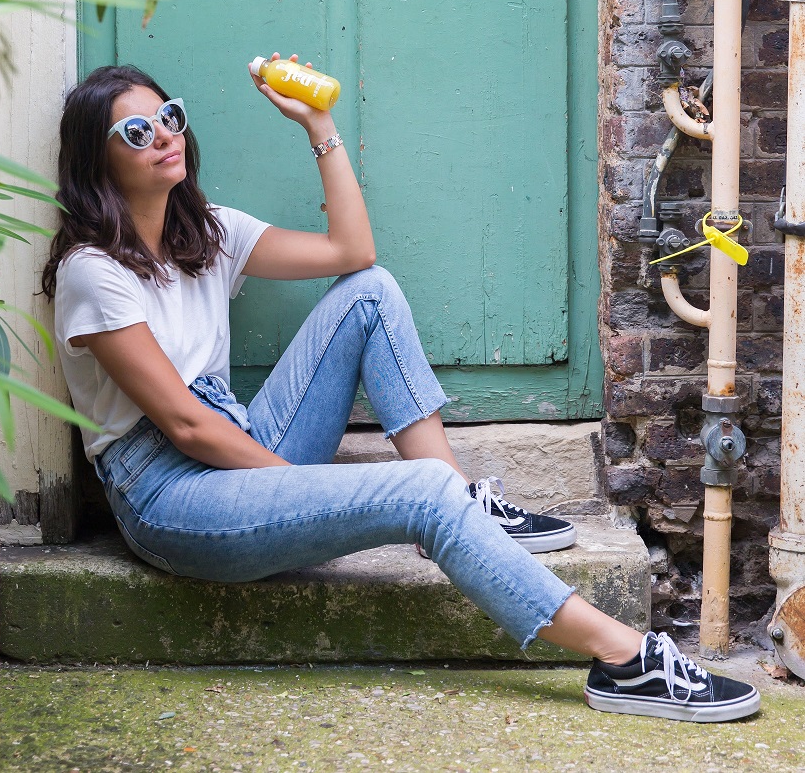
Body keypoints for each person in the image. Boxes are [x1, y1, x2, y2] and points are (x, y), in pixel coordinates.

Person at [41, 57, 760, 724]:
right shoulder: (91, 271)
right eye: (137, 130)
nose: (164, 134)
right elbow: (186, 427)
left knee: (370, 292)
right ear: (96, 159)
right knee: (413, 492)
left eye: (170, 115)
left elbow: (352, 253)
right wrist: (305, 491)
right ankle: (623, 658)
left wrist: (319, 128)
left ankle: (458, 501)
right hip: (169, 492)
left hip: (239, 442)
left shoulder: (206, 233)